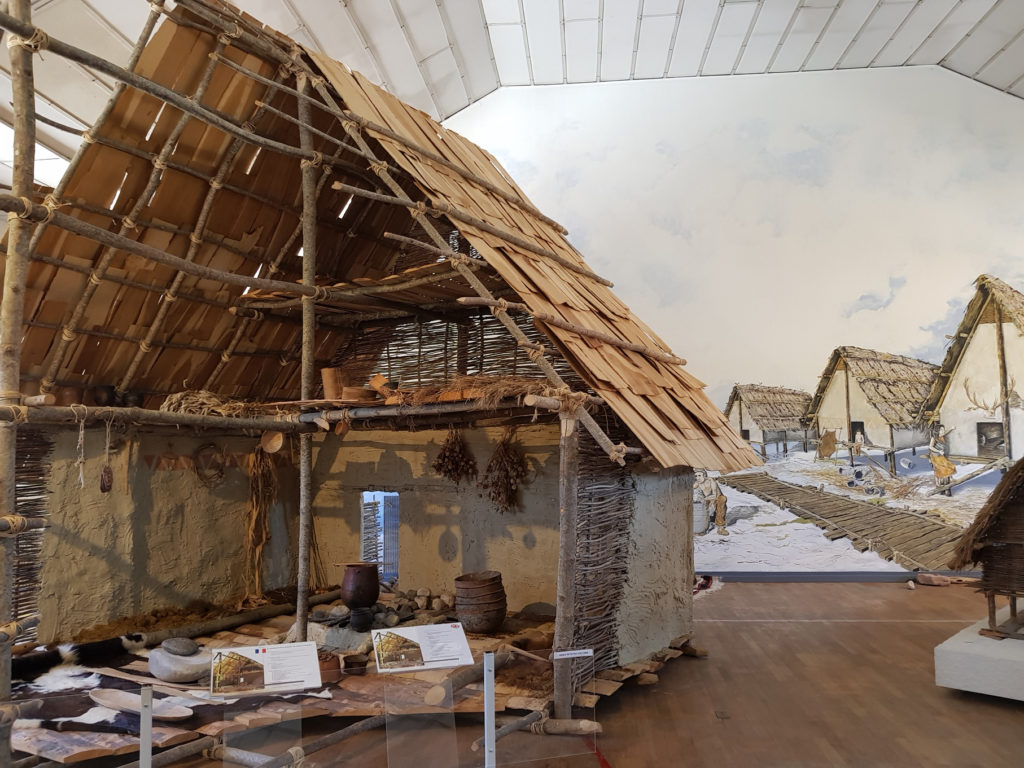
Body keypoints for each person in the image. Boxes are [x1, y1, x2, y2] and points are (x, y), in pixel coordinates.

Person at [694, 469, 729, 536]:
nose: (697, 478)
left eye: (699, 475)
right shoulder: (697, 483)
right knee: (698, 507)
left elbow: (714, 495)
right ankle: (701, 528)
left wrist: (704, 499)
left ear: (704, 476)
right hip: (707, 499)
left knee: (722, 499)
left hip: (717, 498)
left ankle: (720, 528)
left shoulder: (711, 481)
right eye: (696, 476)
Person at [929, 427, 955, 497]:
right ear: (937, 431)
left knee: (948, 468)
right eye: (941, 430)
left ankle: (946, 488)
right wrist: (939, 451)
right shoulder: (934, 438)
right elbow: (930, 447)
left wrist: (951, 429)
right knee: (943, 469)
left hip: (941, 455)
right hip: (935, 456)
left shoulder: (942, 436)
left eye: (943, 430)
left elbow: (946, 432)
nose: (943, 431)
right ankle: (942, 488)